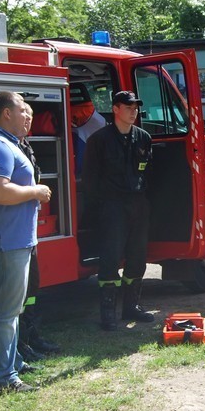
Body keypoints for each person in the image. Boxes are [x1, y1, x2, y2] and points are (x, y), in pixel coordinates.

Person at [0, 91, 51, 392]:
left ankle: (12, 363)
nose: (29, 116)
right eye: (24, 110)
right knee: (5, 311)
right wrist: (35, 191)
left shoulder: (8, 144)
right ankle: (5, 378)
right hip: (6, 242)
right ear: (6, 113)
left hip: (16, 240)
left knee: (13, 309)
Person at [82, 91, 155, 331]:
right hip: (112, 206)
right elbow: (90, 179)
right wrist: (99, 208)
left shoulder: (143, 138)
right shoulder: (99, 140)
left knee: (137, 257)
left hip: (138, 204)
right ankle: (108, 313)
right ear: (115, 109)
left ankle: (131, 306)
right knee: (110, 258)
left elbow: (148, 173)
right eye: (128, 106)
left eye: (136, 106)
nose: (134, 110)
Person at [15, 103, 60, 361]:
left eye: (31, 117)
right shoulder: (9, 147)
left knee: (32, 288)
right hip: (16, 232)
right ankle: (21, 345)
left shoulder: (25, 146)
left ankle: (32, 336)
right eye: (25, 115)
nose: (28, 121)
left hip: (28, 230)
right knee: (20, 294)